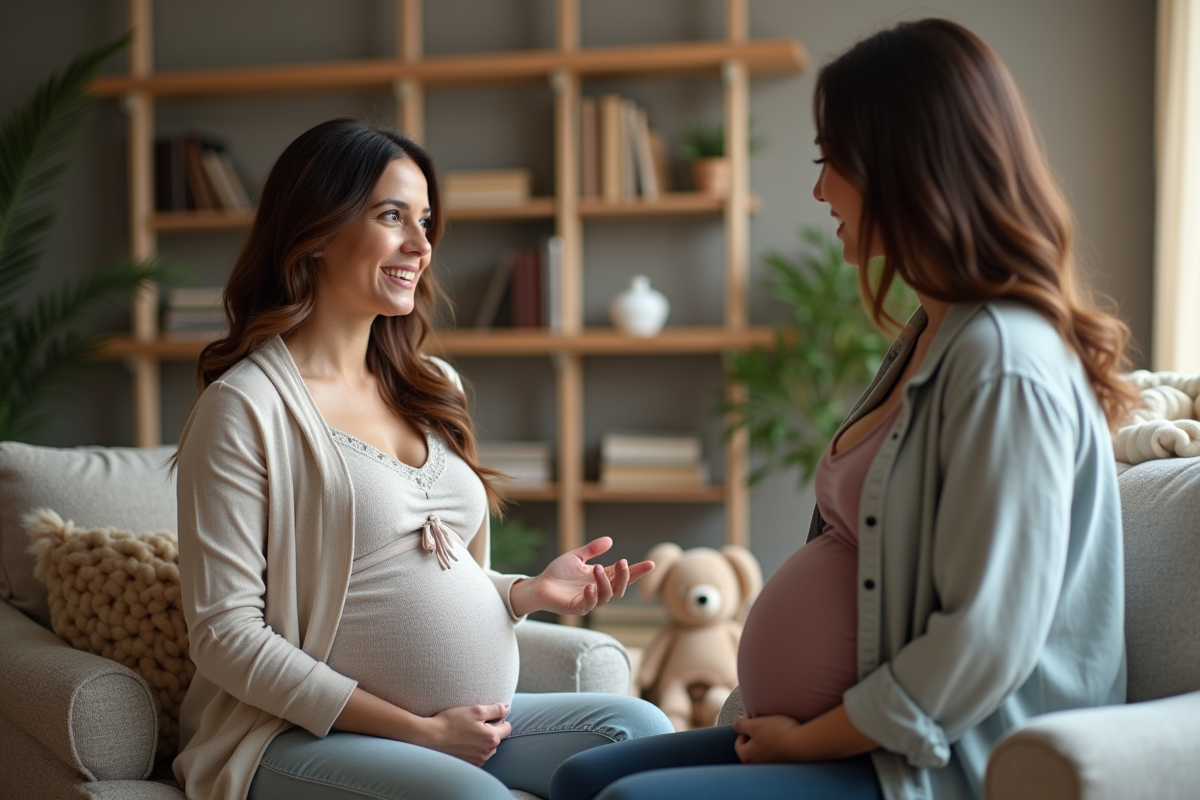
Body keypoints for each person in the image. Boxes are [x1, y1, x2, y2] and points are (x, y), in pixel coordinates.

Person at [549, 18, 1137, 800]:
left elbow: (983, 641)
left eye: (833, 163)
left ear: (906, 168)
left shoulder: (1005, 363)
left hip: (938, 763)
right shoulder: (933, 331)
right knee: (577, 778)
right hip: (851, 741)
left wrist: (809, 739)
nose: (821, 190)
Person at [171, 118, 674, 800]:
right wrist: (419, 732)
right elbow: (225, 636)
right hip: (295, 738)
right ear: (315, 230)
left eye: (426, 221)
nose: (421, 244)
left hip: (460, 729)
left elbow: (437, 574)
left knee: (639, 733)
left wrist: (525, 593)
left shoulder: (432, 385)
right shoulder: (246, 408)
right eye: (391, 216)